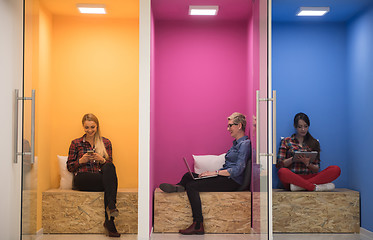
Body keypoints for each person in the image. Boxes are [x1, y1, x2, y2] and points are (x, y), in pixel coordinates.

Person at [159, 112, 251, 235]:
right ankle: (179, 187)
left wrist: (214, 172)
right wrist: (211, 174)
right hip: (224, 177)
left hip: (232, 181)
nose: (228, 129)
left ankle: (198, 225)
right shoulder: (236, 144)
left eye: (230, 126)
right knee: (188, 175)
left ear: (239, 126)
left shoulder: (244, 145)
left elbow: (237, 170)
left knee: (192, 185)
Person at [67, 113, 120, 237]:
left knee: (109, 166)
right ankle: (111, 213)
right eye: (87, 127)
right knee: (110, 183)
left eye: (92, 127)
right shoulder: (76, 143)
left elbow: (109, 167)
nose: (90, 130)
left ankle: (110, 217)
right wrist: (81, 161)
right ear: (83, 127)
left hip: (100, 179)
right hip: (83, 178)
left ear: (97, 127)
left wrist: (101, 159)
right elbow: (69, 167)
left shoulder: (106, 142)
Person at [276, 112, 341, 191]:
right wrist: (293, 159)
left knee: (335, 169)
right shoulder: (286, 141)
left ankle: (300, 186)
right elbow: (279, 164)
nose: (303, 129)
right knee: (282, 172)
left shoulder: (314, 142)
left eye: (305, 126)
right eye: (300, 127)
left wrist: (308, 164)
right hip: (293, 178)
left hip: (310, 177)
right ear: (295, 126)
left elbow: (316, 168)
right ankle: (313, 187)